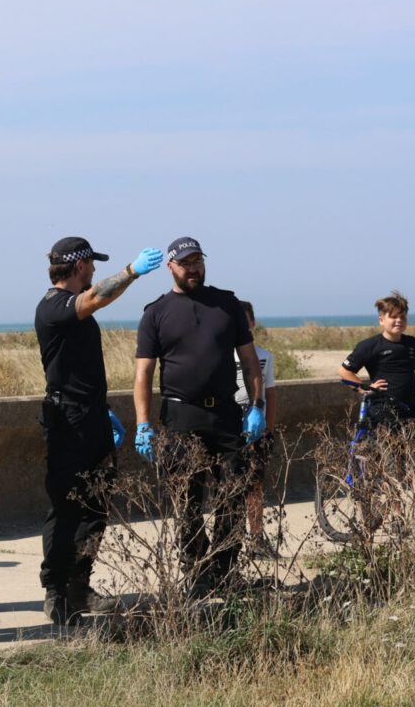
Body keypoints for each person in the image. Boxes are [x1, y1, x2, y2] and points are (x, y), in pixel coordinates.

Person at [35, 237, 163, 623]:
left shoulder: (77, 313)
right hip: (67, 423)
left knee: (96, 506)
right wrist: (131, 271)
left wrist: (103, 409)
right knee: (66, 507)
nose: (92, 272)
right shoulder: (54, 307)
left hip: (92, 418)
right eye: (90, 265)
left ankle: (79, 586)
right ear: (78, 266)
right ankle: (55, 591)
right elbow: (95, 298)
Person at [133, 237, 264, 597]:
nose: (193, 268)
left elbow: (251, 361)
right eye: (185, 262)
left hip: (225, 413)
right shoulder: (155, 313)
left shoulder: (227, 304)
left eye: (198, 261)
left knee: (235, 494)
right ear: (170, 267)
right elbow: (143, 374)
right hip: (180, 415)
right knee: (187, 499)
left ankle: (224, 569)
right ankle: (197, 574)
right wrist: (143, 424)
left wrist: (257, 406)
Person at [338, 291, 415, 425]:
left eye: (403, 317)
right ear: (381, 320)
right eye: (393, 317)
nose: (399, 320)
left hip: (411, 410)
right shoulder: (369, 345)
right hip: (382, 412)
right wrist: (365, 389)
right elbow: (344, 371)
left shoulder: (412, 343)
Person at [234, 301, 278, 558]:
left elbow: (271, 394)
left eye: (246, 320)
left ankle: (257, 537)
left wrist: (269, 428)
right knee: (229, 486)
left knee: (255, 485)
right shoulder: (221, 355)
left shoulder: (264, 356)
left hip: (256, 433)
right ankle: (232, 539)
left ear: (252, 323)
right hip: (229, 430)